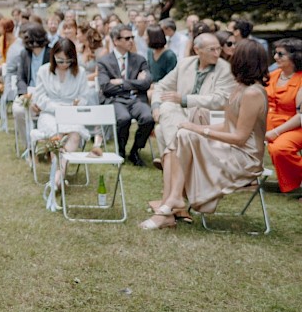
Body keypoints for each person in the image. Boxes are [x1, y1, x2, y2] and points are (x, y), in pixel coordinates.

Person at [141, 40, 269, 229]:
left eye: (235, 54)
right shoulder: (239, 88)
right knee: (183, 134)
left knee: (186, 136)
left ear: (243, 60)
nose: (228, 55)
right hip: (230, 149)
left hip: (244, 157)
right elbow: (227, 125)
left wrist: (202, 130)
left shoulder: (253, 93)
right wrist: (192, 128)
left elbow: (240, 138)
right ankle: (175, 198)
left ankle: (173, 201)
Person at [150, 33, 236, 170]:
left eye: (218, 49)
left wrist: (184, 99)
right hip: (184, 116)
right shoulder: (185, 64)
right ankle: (179, 159)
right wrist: (155, 106)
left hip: (209, 119)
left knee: (161, 130)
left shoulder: (225, 69)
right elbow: (161, 86)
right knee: (165, 108)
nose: (217, 53)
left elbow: (220, 100)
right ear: (197, 50)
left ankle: (173, 160)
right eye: (212, 50)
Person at [31, 38, 91, 190]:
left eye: (68, 61)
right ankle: (59, 176)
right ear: (53, 57)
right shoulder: (44, 71)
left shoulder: (80, 73)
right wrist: (57, 107)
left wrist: (78, 102)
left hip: (71, 114)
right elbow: (39, 97)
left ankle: (57, 175)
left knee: (74, 134)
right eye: (60, 61)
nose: (64, 64)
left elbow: (85, 97)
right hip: (50, 114)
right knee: (58, 134)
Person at [98, 25, 153, 165]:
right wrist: (135, 84)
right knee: (123, 118)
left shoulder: (139, 60)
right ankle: (120, 151)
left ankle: (135, 151)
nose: (131, 41)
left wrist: (122, 82)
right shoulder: (104, 61)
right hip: (115, 100)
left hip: (136, 100)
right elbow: (105, 87)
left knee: (148, 118)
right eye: (127, 38)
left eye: (132, 38)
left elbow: (147, 83)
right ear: (116, 41)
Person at [265, 38, 302, 195]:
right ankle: (244, 180)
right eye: (275, 53)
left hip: (293, 126)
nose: (275, 57)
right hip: (267, 124)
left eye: (281, 54)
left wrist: (275, 132)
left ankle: (295, 184)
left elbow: (301, 116)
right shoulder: (272, 75)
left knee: (280, 149)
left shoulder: (300, 80)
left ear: (295, 57)